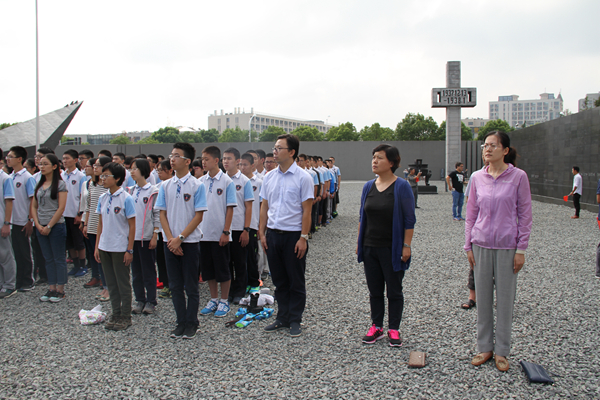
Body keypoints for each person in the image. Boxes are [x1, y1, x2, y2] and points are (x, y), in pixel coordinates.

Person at [465, 130, 532, 372]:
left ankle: (502, 351)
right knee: (482, 300)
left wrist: (521, 248)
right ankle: (485, 347)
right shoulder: (476, 177)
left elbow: (525, 215)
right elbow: (471, 213)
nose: (487, 149)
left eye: (493, 145)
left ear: (505, 150)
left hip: (507, 247)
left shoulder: (518, 177)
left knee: (505, 300)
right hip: (480, 244)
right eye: (485, 145)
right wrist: (468, 245)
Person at [357, 144, 415, 347]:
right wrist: (359, 244)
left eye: (379, 158)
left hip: (392, 248)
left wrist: (406, 245)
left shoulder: (402, 186)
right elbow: (362, 217)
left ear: (391, 163)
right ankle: (377, 326)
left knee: (394, 290)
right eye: (373, 157)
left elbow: (409, 220)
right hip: (370, 246)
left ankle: (394, 328)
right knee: (374, 290)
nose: (374, 161)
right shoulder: (368, 186)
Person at [259, 134, 314, 337]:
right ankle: (282, 317)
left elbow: (306, 210)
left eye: (279, 148)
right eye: (274, 147)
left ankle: (295, 319)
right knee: (279, 279)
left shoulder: (303, 177)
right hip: (273, 235)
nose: (275, 151)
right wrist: (262, 232)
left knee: (295, 280)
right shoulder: (269, 176)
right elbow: (264, 206)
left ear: (291, 152)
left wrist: (303, 237)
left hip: (293, 236)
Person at [155, 143, 207, 339]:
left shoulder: (197, 186)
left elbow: (198, 216)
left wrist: (181, 238)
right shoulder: (165, 186)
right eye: (171, 155)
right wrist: (170, 240)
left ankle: (192, 322)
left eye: (176, 155)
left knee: (191, 286)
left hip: (190, 243)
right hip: (169, 243)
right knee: (175, 285)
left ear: (187, 161)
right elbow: (162, 214)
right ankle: (181, 321)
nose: (172, 158)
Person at [94, 162, 136, 331]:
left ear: (117, 178)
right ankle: (115, 313)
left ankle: (126, 316)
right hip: (105, 246)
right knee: (111, 283)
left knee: (123, 283)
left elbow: (132, 226)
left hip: (120, 248)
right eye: (102, 176)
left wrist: (129, 249)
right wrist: (97, 246)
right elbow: (100, 224)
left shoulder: (126, 198)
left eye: (106, 176)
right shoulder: (102, 198)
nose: (102, 179)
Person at [198, 146, 236, 318]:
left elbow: (230, 209)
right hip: (203, 234)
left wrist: (226, 231)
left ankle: (224, 300)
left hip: (220, 234)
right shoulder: (200, 182)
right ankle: (213, 298)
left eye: (206, 159)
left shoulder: (227, 181)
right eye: (202, 159)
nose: (203, 162)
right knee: (208, 270)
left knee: (223, 269)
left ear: (216, 160)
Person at [32, 154, 68, 302]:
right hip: (40, 226)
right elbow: (34, 206)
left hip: (56, 226)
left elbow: (61, 208)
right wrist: (38, 224)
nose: (42, 167)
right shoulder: (38, 185)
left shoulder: (60, 185)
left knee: (59, 258)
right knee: (48, 258)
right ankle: (51, 287)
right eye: (40, 164)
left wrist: (49, 226)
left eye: (45, 164)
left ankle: (60, 289)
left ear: (54, 166)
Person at [222, 148, 255, 304]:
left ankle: (239, 291)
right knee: (225, 262)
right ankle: (227, 291)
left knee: (240, 262)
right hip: (223, 229)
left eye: (229, 158)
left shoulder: (244, 181)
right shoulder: (220, 179)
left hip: (238, 228)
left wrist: (246, 230)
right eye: (223, 159)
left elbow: (248, 207)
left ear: (237, 161)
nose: (225, 161)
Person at [128, 158, 160, 315]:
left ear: (142, 171)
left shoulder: (153, 190)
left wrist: (155, 234)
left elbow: (157, 214)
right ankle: (140, 299)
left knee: (148, 271)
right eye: (131, 169)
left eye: (134, 168)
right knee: (136, 271)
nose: (131, 171)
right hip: (132, 238)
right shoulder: (130, 191)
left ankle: (151, 301)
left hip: (146, 237)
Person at [6, 146, 36, 292]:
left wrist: (30, 220)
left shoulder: (27, 178)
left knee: (25, 252)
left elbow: (32, 200)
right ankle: (18, 280)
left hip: (23, 221)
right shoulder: (10, 177)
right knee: (15, 252)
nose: (8, 159)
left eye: (11, 156)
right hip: (12, 221)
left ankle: (28, 280)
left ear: (19, 159)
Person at [461, 155, 488, 310]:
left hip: (502, 236)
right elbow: (469, 201)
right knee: (475, 267)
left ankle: (498, 298)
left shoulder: (515, 176)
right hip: (480, 230)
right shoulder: (476, 176)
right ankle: (473, 297)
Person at [83, 156, 111, 300]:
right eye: (94, 165)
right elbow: (88, 205)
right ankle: (102, 283)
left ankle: (108, 288)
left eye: (98, 165)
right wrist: (85, 223)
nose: (95, 168)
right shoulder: (91, 184)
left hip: (104, 226)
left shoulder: (108, 186)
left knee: (104, 259)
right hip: (92, 224)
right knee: (96, 257)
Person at [61, 149, 87, 277]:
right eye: (63, 158)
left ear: (75, 160)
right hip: (64, 213)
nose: (65, 161)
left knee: (78, 241)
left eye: (67, 158)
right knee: (69, 242)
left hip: (75, 214)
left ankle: (82, 265)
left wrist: (80, 214)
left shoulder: (80, 176)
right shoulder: (62, 175)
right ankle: (75, 264)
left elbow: (83, 196)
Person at [240, 152, 263, 288]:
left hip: (253, 224)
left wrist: (261, 226)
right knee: (239, 257)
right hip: (238, 225)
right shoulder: (236, 182)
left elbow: (262, 206)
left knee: (251, 255)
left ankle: (254, 281)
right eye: (240, 165)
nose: (242, 167)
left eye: (245, 165)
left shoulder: (258, 182)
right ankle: (242, 282)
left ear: (252, 166)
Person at [0, 147, 17, 299]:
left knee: (5, 255)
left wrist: (7, 223)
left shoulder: (5, 178)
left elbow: (9, 202)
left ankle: (9, 285)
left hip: (1, 223)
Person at [155, 160, 173, 299]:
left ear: (170, 170)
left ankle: (177, 284)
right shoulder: (157, 188)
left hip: (174, 229)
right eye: (158, 170)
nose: (159, 172)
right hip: (162, 230)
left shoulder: (174, 186)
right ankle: (166, 283)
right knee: (161, 258)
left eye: (162, 170)